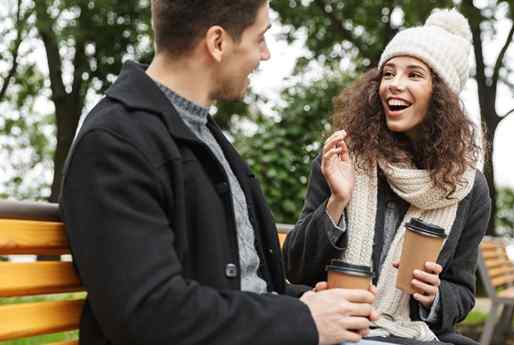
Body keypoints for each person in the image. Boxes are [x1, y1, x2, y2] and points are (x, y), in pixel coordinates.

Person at [60, 1, 380, 344]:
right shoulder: (115, 144)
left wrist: (309, 303)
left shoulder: (201, 134)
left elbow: (242, 285)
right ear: (217, 42)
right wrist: (303, 318)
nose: (266, 54)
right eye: (260, 39)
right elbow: (148, 313)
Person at [283, 8, 491, 345]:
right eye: (388, 73)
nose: (394, 85)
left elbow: (462, 292)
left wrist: (433, 295)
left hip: (409, 331)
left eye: (414, 75)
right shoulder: (344, 157)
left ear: (441, 95)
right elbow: (295, 267)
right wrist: (336, 202)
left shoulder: (468, 187)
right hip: (341, 328)